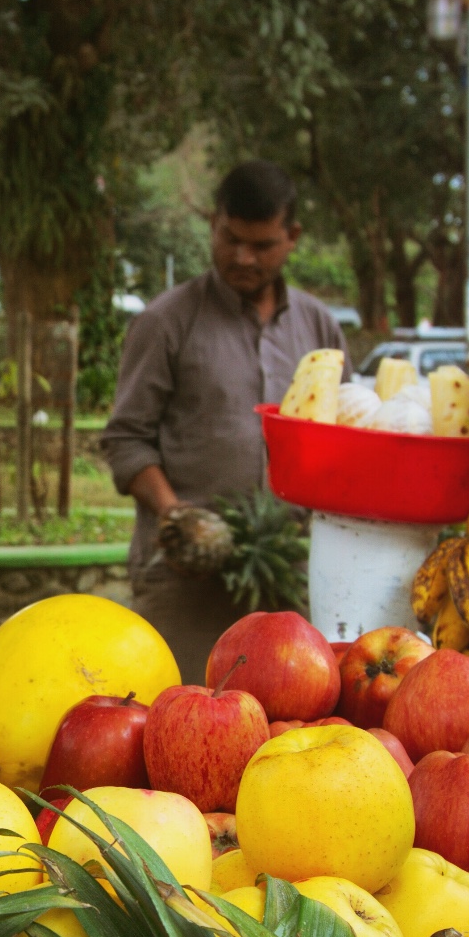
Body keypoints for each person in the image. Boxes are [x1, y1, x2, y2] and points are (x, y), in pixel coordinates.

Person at [99, 159, 345, 684]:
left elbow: (341, 439)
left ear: (292, 237)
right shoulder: (166, 320)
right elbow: (126, 439)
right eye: (230, 238)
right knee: (174, 723)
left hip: (286, 578)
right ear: (213, 222)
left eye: (261, 246)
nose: (242, 257)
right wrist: (173, 513)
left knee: (283, 728)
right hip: (184, 582)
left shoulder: (319, 327)